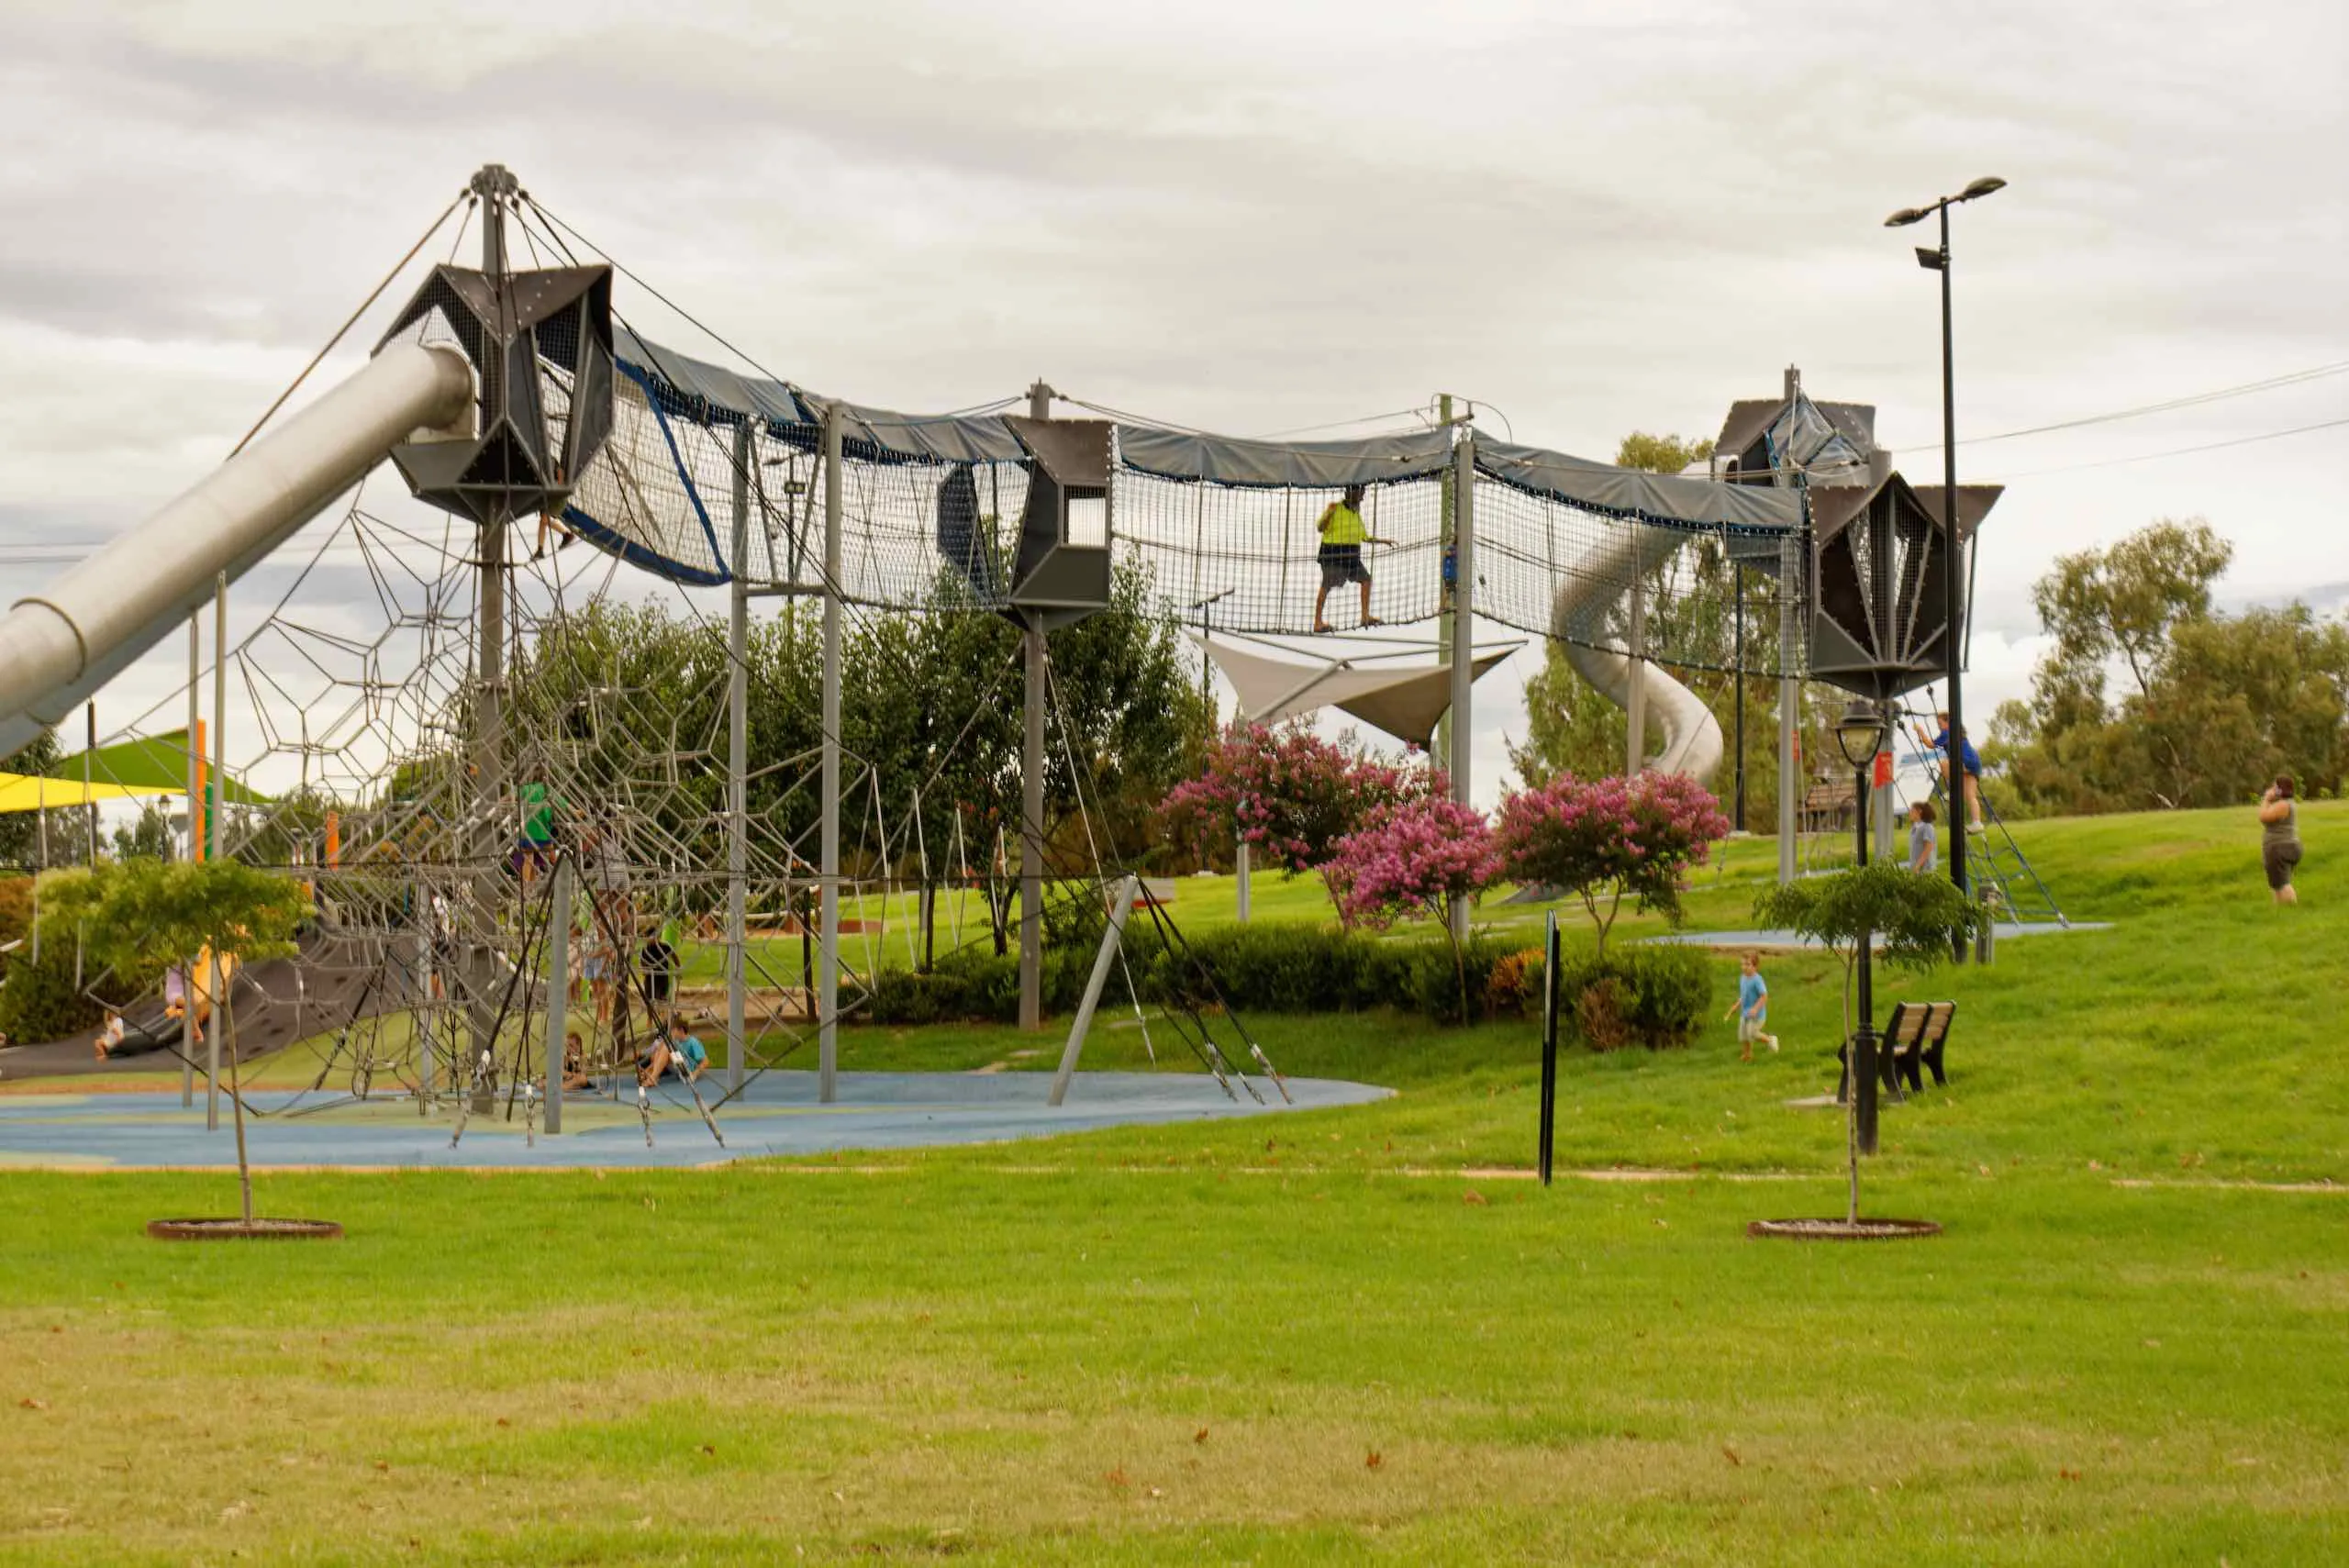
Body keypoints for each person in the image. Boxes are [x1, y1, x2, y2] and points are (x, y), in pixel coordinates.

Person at [1311, 484, 1388, 634]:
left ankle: (1365, 616)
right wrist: (1328, 513)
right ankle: (1317, 622)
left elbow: (1364, 537)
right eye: (1361, 494)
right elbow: (1320, 527)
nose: (1363, 498)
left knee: (1366, 580)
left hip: (1352, 554)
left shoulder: (1355, 514)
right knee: (1327, 585)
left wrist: (1382, 541)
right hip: (1333, 552)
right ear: (1352, 493)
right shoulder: (1336, 508)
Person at [1913, 711, 1984, 832]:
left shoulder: (1947, 733)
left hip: (1965, 761)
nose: (1939, 727)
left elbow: (1930, 744)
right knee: (1970, 796)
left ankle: (1952, 790)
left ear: (1948, 723)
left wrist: (1920, 730)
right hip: (1974, 762)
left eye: (1940, 723)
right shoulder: (1957, 733)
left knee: (1944, 764)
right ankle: (1977, 823)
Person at [1724, 951, 1777, 1062]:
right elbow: (1743, 996)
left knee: (1752, 1033)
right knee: (1744, 1036)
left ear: (1755, 966)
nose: (1744, 967)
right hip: (1745, 1013)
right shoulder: (1743, 978)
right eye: (1742, 964)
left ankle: (1770, 1040)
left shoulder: (1757, 980)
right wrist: (1735, 1007)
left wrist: (1755, 1008)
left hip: (1757, 1015)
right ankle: (1747, 1055)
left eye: (1747, 964)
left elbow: (1764, 996)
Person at [2258, 774, 2302, 906]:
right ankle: (2280, 910)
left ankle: (2291, 908)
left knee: (2282, 884)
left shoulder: (2283, 805)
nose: (2271, 789)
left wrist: (2266, 799)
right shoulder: (2286, 804)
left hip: (2280, 847)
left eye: (2274, 787)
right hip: (2282, 846)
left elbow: (2264, 817)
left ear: (2279, 789)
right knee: (2277, 883)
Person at [639, 1014, 708, 1087]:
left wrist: (695, 1074)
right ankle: (652, 1075)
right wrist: (648, 1069)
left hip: (687, 1069)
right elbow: (660, 1054)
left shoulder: (693, 1042)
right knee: (661, 1047)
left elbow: (705, 1061)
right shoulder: (676, 1041)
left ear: (681, 1030)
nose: (671, 1032)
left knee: (666, 1048)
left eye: (673, 1030)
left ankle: (653, 1078)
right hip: (678, 1065)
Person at [1908, 800, 1938, 874]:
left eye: (1912, 810)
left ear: (1919, 811)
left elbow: (1928, 848)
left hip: (1926, 869)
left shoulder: (1927, 827)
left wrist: (1918, 865)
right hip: (1917, 869)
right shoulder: (1915, 827)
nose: (1909, 812)